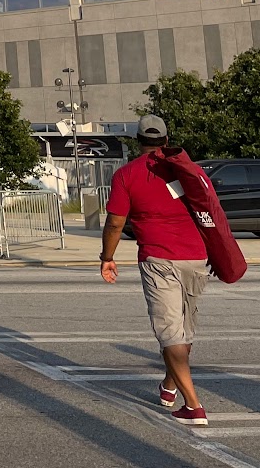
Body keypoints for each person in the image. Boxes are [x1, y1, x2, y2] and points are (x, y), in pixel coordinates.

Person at [101, 115, 210, 427]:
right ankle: (170, 384)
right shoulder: (187, 169)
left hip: (158, 260)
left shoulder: (127, 175)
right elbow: (209, 210)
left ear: (138, 140)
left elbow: (116, 222)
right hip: (196, 258)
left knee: (170, 332)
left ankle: (193, 407)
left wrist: (107, 256)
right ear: (166, 139)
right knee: (183, 330)